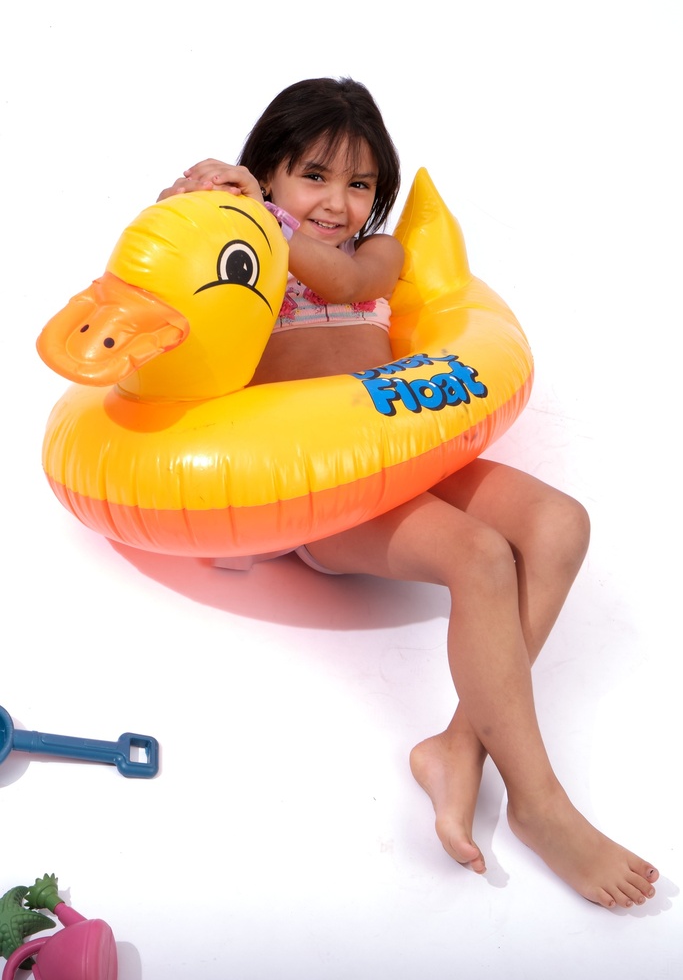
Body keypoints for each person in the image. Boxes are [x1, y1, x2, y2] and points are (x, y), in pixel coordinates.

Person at [159, 77, 658, 909]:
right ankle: (539, 806)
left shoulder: (373, 260)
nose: (337, 202)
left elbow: (347, 284)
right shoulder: (241, 255)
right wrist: (204, 206)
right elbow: (171, 287)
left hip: (408, 455)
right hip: (323, 490)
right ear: (266, 170)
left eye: (359, 185)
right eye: (313, 175)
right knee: (481, 557)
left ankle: (456, 746)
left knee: (560, 524)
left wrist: (263, 213)